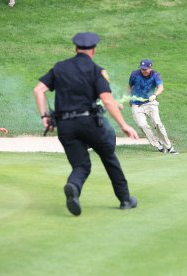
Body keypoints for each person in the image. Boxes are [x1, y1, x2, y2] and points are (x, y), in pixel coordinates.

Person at [33, 32, 139, 216]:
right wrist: (124, 125)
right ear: (94, 50)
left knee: (81, 165)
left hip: (65, 126)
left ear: (75, 49)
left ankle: (73, 187)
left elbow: (38, 90)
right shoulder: (96, 71)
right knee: (109, 158)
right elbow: (106, 100)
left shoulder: (60, 67)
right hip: (89, 123)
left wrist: (44, 116)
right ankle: (125, 200)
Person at [127, 59, 179, 154]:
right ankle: (157, 145)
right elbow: (129, 86)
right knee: (142, 125)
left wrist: (154, 95)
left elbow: (161, 87)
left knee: (157, 123)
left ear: (150, 68)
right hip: (137, 104)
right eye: (142, 69)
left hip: (150, 103)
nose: (143, 71)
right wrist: (129, 98)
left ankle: (169, 147)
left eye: (145, 69)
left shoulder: (155, 75)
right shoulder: (135, 74)